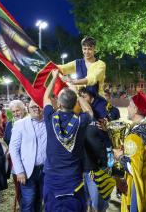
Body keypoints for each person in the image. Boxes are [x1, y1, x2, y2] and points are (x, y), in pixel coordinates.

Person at [42, 69, 93, 212]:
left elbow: (46, 98)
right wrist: (75, 91)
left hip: (52, 181)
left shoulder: (50, 118)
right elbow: (89, 111)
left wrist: (53, 78)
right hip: (74, 181)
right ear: (75, 102)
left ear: (58, 103)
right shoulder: (81, 121)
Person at [113, 91, 146, 212]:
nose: (128, 108)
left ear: (136, 109)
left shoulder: (135, 136)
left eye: (130, 105)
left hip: (138, 185)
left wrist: (119, 156)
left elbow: (133, 168)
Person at [9, 100, 47, 212]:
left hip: (45, 170)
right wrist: (19, 171)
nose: (36, 109)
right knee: (28, 202)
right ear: (28, 109)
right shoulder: (20, 124)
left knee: (40, 200)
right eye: (33, 107)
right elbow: (13, 149)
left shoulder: (49, 122)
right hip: (27, 172)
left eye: (39, 106)